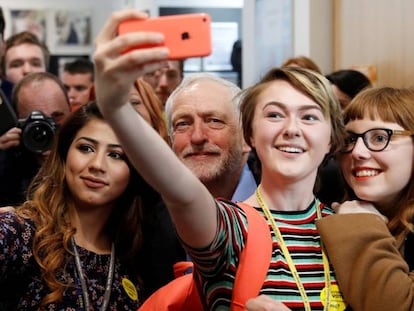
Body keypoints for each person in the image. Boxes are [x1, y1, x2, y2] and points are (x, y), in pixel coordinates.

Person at [93, 9, 347, 310]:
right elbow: (181, 192)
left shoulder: (351, 230)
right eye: (275, 114)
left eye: (309, 116)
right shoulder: (230, 228)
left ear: (331, 137)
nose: (291, 129)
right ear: (249, 135)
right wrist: (117, 107)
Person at [0, 102, 150, 309]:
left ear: (134, 171)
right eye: (86, 148)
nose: (97, 164)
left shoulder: (133, 259)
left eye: (116, 155)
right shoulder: (19, 231)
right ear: (64, 154)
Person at [317, 87, 414, 311]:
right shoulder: (328, 213)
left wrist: (360, 227)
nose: (358, 152)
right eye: (350, 139)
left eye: (380, 137)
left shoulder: (350, 223)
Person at [165, 73, 259, 201]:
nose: (197, 137)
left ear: (246, 137)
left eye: (214, 121)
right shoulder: (151, 211)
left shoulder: (287, 199)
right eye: (183, 124)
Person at [0, 72, 70, 206]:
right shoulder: (7, 162)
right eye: (36, 125)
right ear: (18, 123)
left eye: (56, 119)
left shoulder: (86, 155)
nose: (46, 132)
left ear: (71, 111)